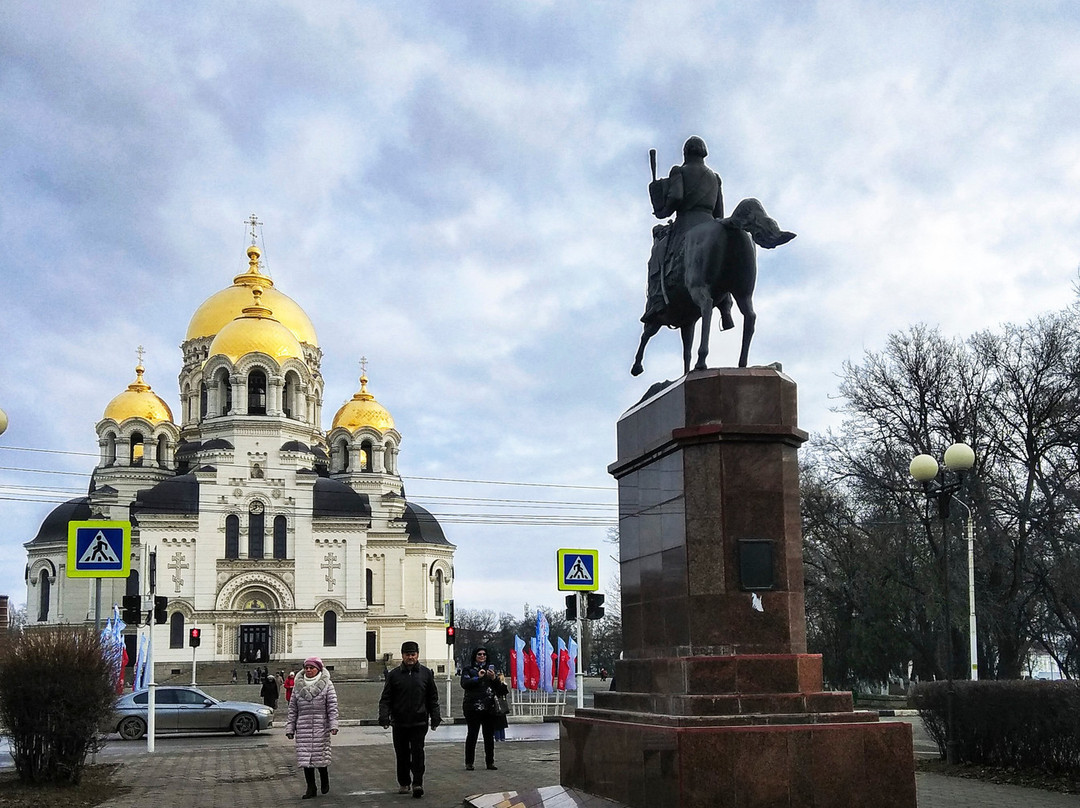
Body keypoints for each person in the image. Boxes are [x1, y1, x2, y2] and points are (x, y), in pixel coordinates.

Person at [642, 136, 723, 323]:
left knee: (658, 253)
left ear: (685, 152)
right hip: (711, 223)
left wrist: (663, 209)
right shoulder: (715, 178)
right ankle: (725, 307)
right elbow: (719, 212)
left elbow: (676, 197)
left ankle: (657, 300)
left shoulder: (678, 171)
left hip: (687, 223)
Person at [379, 641, 442, 799]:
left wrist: (435, 717)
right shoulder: (393, 675)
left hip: (419, 721)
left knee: (418, 753)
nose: (410, 657)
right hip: (399, 722)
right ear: (402, 656)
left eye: (413, 654)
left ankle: (417, 783)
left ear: (418, 655)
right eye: (407, 655)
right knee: (402, 754)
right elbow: (386, 698)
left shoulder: (426, 673)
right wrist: (384, 716)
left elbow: (432, 698)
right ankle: (404, 782)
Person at [285, 657, 339, 799]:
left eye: (311, 668)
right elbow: (292, 709)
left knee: (320, 756)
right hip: (303, 725)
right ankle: (311, 787)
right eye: (306, 667)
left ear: (318, 669)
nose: (308, 670)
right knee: (305, 759)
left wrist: (333, 725)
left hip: (321, 725)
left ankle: (324, 779)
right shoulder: (298, 685)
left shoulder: (327, 684)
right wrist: (290, 728)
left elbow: (332, 706)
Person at [460, 647, 508, 771]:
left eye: (484, 654)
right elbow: (465, 684)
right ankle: (469, 762)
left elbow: (503, 690)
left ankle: (490, 762)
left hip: (489, 707)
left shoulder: (492, 670)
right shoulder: (469, 669)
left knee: (489, 736)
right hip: (473, 707)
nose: (482, 656)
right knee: (472, 734)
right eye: (479, 654)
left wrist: (494, 679)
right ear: (475, 656)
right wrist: (478, 678)